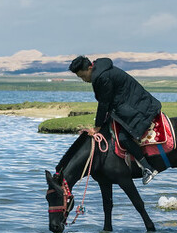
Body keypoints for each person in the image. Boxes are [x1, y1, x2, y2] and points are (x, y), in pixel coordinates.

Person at [69, 55, 162, 184]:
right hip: (129, 105)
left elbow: (104, 103)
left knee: (123, 137)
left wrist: (97, 127)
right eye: (80, 78)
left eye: (83, 76)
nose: (84, 80)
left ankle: (148, 168)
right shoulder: (101, 71)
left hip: (140, 107)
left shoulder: (102, 77)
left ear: (90, 68)